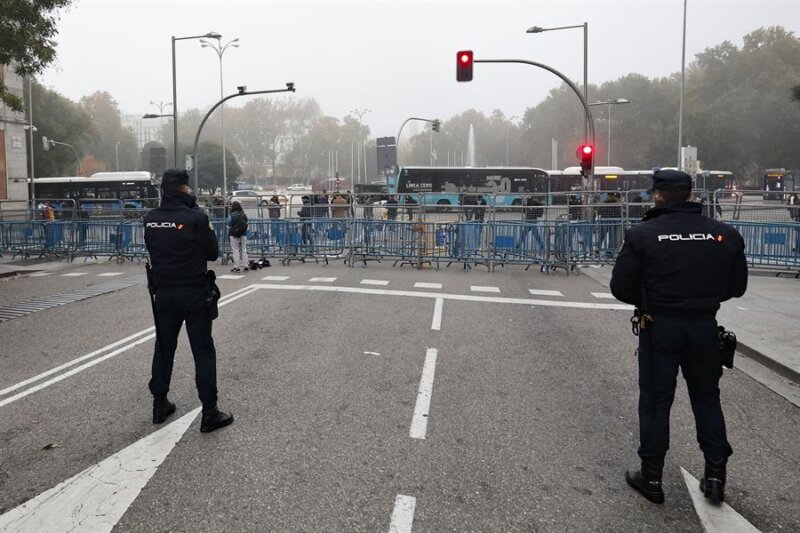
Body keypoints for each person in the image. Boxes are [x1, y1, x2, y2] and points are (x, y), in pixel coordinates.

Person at [610, 169, 747, 505]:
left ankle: (652, 477)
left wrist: (650, 301)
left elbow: (620, 287)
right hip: (703, 326)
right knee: (706, 398)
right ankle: (715, 475)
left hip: (660, 326)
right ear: (689, 195)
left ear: (657, 195)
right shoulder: (725, 235)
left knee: (656, 401)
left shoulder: (642, 234)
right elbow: (737, 287)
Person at [143, 169, 233, 433]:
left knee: (164, 348)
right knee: (203, 351)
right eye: (188, 187)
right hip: (194, 293)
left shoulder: (150, 219)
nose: (191, 191)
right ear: (183, 189)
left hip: (164, 294)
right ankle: (210, 412)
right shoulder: (195, 217)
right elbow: (213, 252)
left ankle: (159, 404)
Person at [228, 200, 249, 273]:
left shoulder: (231, 215)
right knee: (244, 249)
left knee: (235, 250)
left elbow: (229, 224)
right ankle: (246, 265)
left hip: (234, 234)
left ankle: (237, 267)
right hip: (243, 233)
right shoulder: (243, 214)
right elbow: (246, 222)